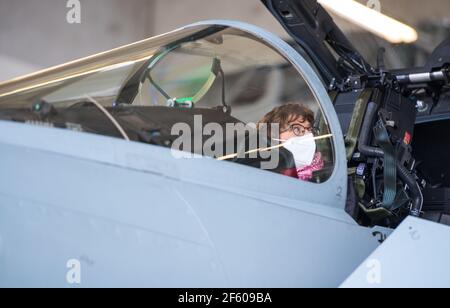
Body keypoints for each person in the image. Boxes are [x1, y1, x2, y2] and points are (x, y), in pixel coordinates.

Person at [257, 103, 324, 181]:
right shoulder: (264, 178)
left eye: (309, 130)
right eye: (297, 129)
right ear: (273, 135)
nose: (308, 135)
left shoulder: (328, 173)